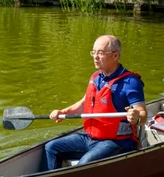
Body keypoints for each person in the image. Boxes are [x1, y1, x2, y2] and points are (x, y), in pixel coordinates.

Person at [42, 35, 147, 171]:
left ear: (115, 55)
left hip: (116, 142)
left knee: (84, 164)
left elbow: (143, 114)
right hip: (90, 138)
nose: (95, 57)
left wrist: (136, 117)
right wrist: (63, 112)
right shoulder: (96, 77)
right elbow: (84, 103)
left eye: (100, 53)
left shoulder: (131, 82)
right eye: (94, 52)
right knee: (51, 147)